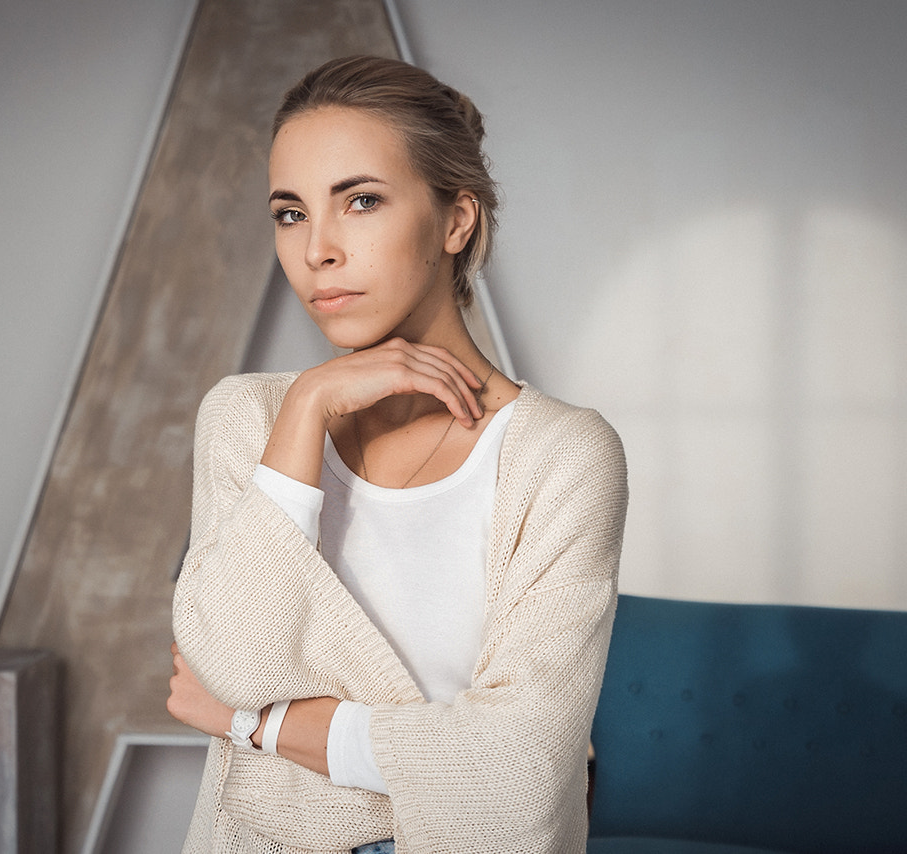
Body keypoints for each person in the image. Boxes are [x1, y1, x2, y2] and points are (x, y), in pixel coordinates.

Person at [168, 55, 627, 854]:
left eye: (362, 201)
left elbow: (519, 772)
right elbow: (232, 656)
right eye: (289, 213)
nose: (317, 250)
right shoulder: (248, 418)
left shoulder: (562, 455)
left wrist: (255, 724)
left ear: (457, 220)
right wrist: (309, 403)